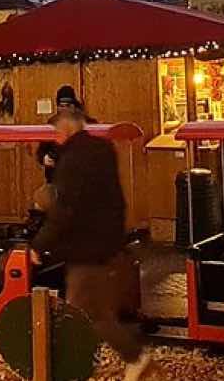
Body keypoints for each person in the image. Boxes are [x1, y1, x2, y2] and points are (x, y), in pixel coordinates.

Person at [30, 108, 151, 379]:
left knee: (86, 311)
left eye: (57, 131)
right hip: (108, 242)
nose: (56, 137)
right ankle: (84, 361)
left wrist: (39, 243)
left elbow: (65, 209)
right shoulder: (102, 149)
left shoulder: (72, 160)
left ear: (66, 129)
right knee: (94, 310)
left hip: (85, 248)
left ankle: (133, 357)